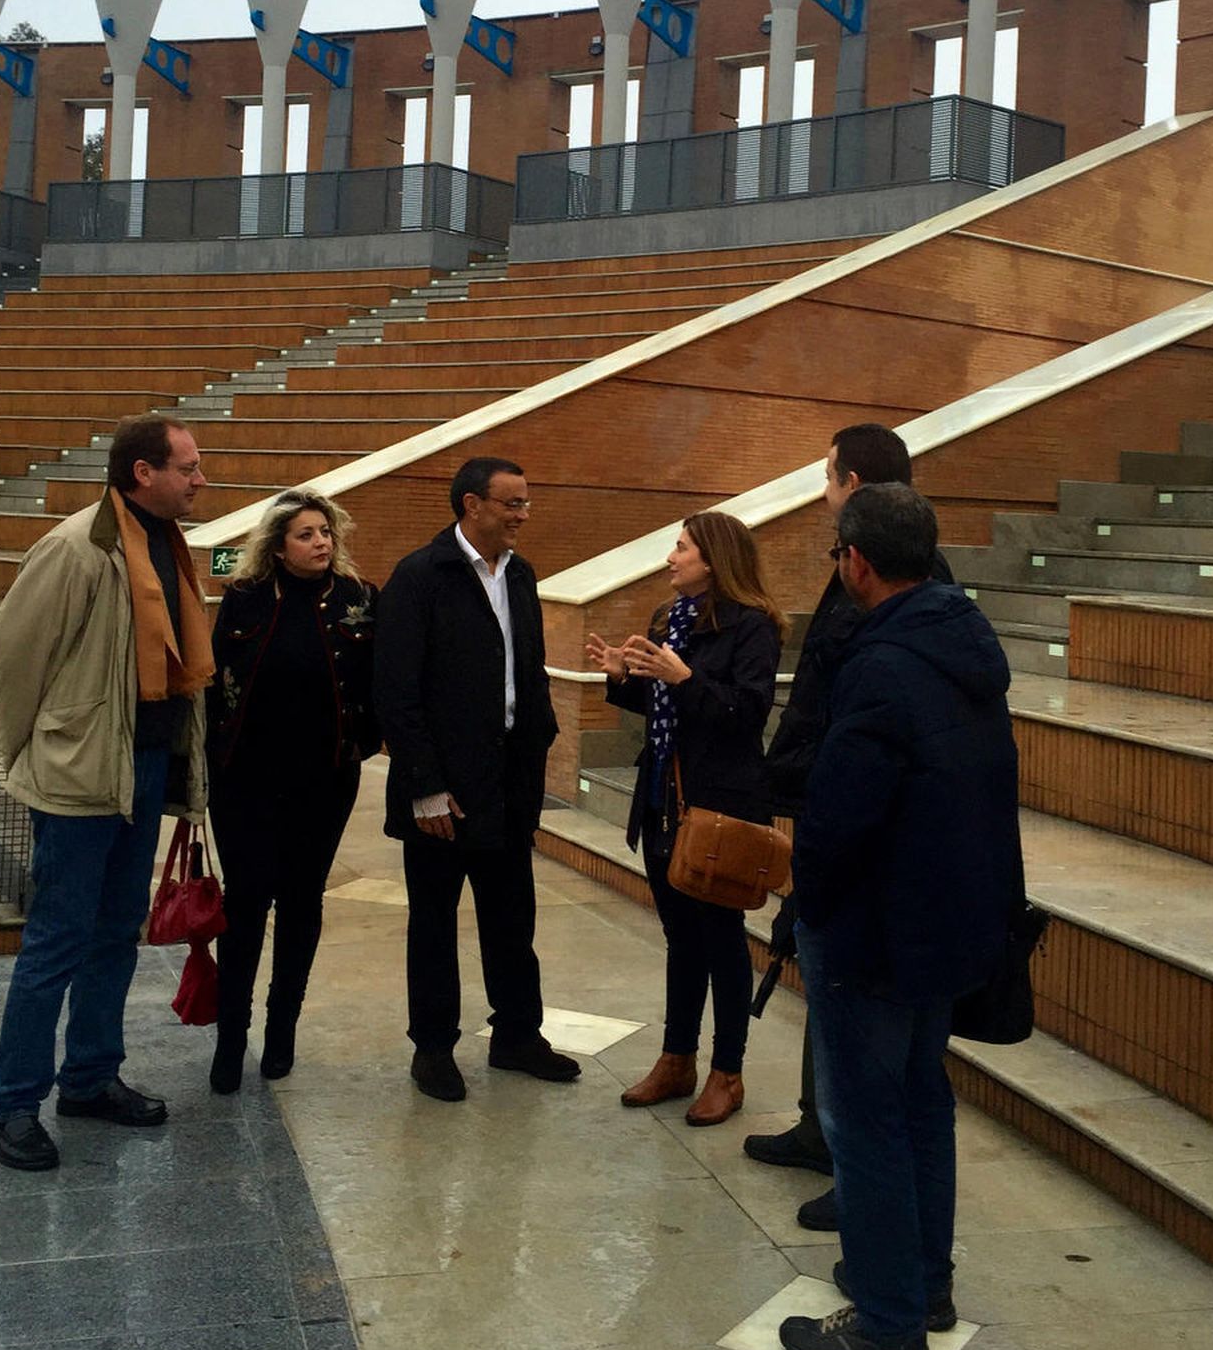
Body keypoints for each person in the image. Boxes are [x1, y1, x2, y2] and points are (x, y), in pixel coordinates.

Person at [777, 484, 1020, 1350]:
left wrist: (812, 901)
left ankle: (887, 1319)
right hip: (948, 923)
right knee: (921, 1101)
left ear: (857, 562)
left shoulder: (879, 663)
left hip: (878, 930)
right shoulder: (962, 643)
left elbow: (841, 814)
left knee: (871, 1119)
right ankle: (923, 1282)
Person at [0, 413, 213, 1171]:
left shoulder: (166, 545)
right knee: (56, 940)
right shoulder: (78, 546)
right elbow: (14, 656)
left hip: (141, 767)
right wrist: (33, 754)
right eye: (188, 467)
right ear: (143, 472)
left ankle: (88, 1077)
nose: (199, 479)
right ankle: (10, 1103)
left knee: (116, 933)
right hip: (81, 775)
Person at [747, 423, 954, 1200]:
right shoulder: (894, 583)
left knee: (874, 1048)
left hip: (870, 849)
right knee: (830, 994)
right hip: (842, 816)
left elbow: (859, 721)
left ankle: (857, 1188)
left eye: (828, 471)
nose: (821, 483)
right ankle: (818, 1128)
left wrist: (816, 821)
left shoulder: (898, 601)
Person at [374, 455, 579, 1101]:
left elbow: (530, 669)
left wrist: (540, 737)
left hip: (508, 783)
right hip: (444, 791)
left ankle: (518, 1034)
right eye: (511, 503)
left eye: (526, 502)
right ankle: (433, 1048)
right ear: (471, 505)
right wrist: (424, 785)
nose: (522, 514)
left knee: (512, 917)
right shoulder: (419, 576)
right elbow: (397, 693)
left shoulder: (521, 575)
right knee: (434, 921)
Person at [586, 511, 784, 1128]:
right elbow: (663, 708)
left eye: (681, 548)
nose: (671, 558)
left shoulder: (754, 626)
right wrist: (625, 679)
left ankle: (729, 1072)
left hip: (720, 806)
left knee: (722, 943)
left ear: (714, 559)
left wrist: (685, 676)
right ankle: (677, 1059)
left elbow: (746, 714)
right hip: (663, 799)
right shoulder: (668, 619)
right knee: (680, 939)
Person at [204, 490, 380, 1093]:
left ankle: (282, 1034)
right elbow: (215, 684)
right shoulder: (245, 599)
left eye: (325, 532)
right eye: (306, 535)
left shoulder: (358, 601)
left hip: (324, 781)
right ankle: (231, 1040)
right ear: (278, 548)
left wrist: (369, 739)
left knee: (302, 902)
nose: (321, 543)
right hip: (245, 781)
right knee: (246, 903)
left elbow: (380, 680)